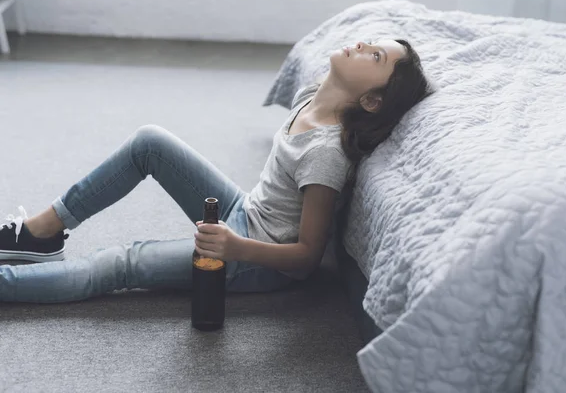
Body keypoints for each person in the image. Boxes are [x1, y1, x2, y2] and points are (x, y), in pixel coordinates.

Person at [0, 39, 430, 303]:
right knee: (149, 142)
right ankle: (43, 231)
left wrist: (235, 248)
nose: (360, 45)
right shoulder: (313, 92)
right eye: (371, 42)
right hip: (246, 211)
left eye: (375, 57)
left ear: (372, 101)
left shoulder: (326, 155)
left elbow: (305, 261)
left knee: (119, 264)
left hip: (255, 259)